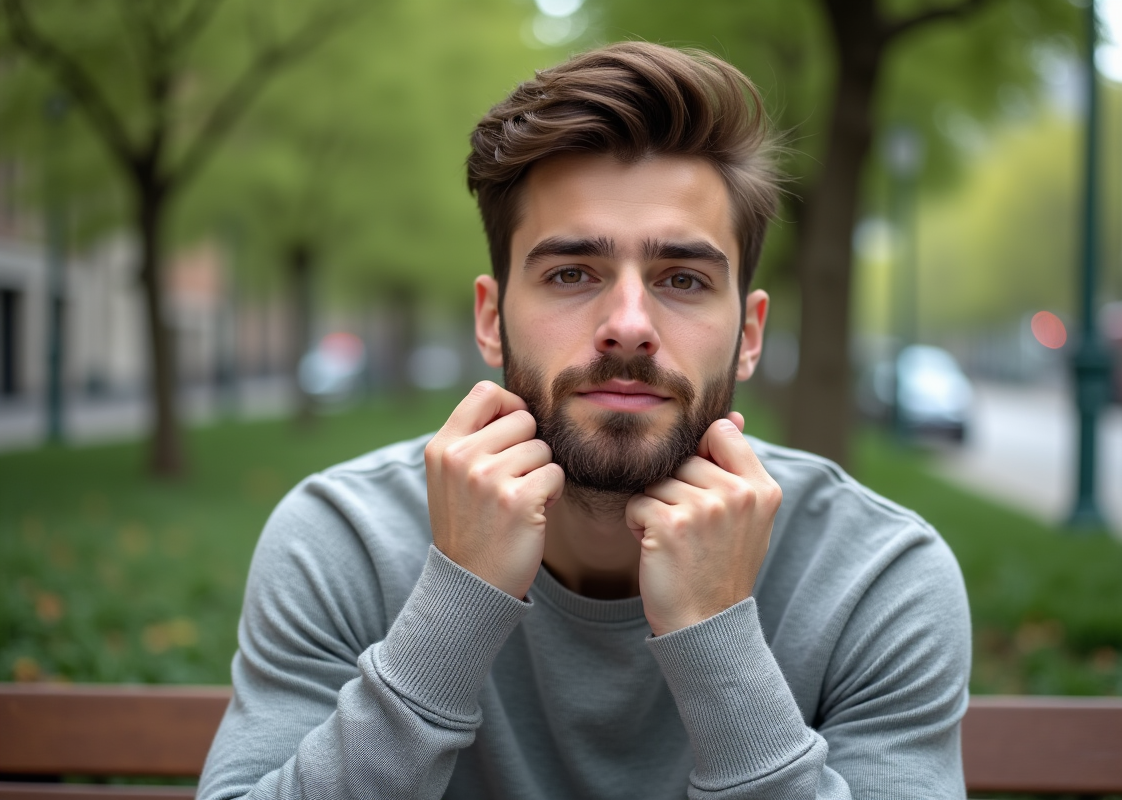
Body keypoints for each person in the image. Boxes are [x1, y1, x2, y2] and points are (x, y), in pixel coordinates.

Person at [198, 42, 971, 800]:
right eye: (572, 273)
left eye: (683, 278)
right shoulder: (345, 541)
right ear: (493, 318)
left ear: (751, 334)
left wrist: (717, 639)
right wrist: (457, 604)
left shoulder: (876, 576)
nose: (628, 324)